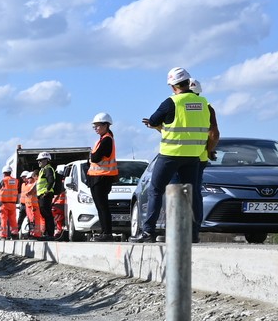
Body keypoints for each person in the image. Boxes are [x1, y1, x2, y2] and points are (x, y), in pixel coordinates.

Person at [137, 67, 217, 241]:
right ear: (189, 83)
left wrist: (156, 126)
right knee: (193, 194)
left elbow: (153, 120)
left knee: (156, 190)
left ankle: (148, 231)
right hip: (194, 156)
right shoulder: (204, 104)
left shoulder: (171, 102)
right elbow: (211, 131)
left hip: (170, 155)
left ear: (173, 86)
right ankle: (194, 233)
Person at [87, 113, 119, 239]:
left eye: (97, 126)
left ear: (105, 125)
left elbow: (95, 157)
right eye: (94, 126)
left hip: (102, 177)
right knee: (100, 206)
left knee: (102, 206)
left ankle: (107, 233)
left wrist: (91, 157)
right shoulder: (102, 139)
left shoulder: (106, 140)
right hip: (98, 177)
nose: (95, 128)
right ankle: (104, 231)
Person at [33, 152, 61, 239]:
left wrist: (47, 191)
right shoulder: (43, 170)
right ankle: (47, 233)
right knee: (44, 214)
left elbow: (51, 180)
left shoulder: (48, 169)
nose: (39, 162)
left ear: (46, 160)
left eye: (40, 160)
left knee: (47, 214)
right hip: (42, 195)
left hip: (46, 195)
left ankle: (50, 234)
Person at [0, 167, 20, 238]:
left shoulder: (3, 180)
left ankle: (3, 235)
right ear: (10, 172)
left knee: (3, 220)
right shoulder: (16, 181)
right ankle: (15, 234)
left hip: (4, 204)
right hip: (12, 204)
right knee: (13, 220)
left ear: (4, 173)